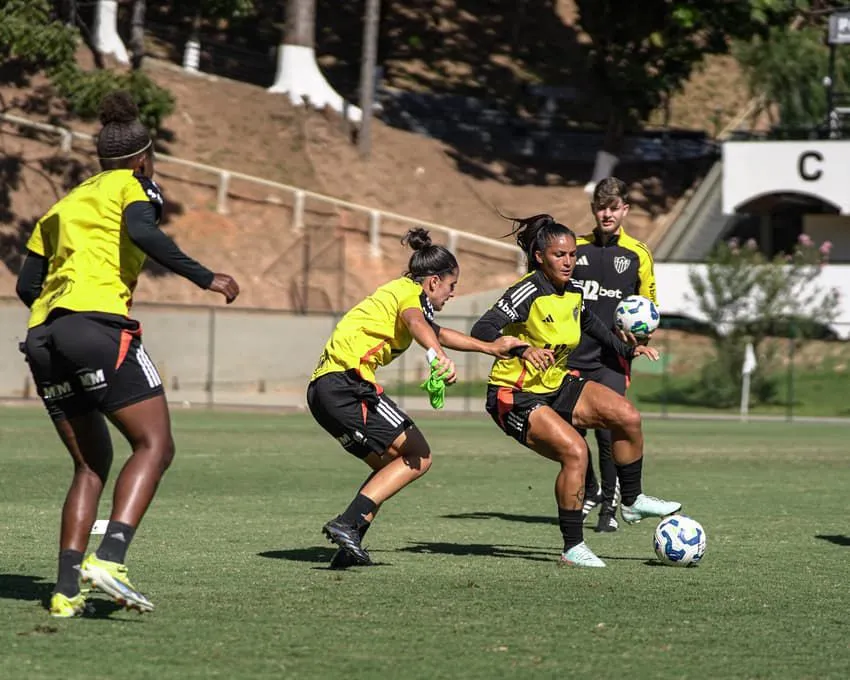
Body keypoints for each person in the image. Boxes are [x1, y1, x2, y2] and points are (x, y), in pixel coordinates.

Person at [16, 91, 240, 617]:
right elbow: (141, 229)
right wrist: (206, 277)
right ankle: (110, 558)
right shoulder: (134, 185)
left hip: (44, 336)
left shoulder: (62, 204)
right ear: (144, 157)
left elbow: (29, 283)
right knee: (156, 446)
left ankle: (66, 590)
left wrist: (62, 312)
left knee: (91, 465)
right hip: (97, 327)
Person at [470, 214, 680, 567]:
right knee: (576, 453)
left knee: (626, 415)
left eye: (571, 255)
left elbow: (593, 325)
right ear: (540, 256)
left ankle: (630, 500)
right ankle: (572, 547)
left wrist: (629, 349)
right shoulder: (529, 289)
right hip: (514, 395)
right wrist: (522, 348)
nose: (568, 262)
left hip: (555, 383)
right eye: (559, 255)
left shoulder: (572, 291)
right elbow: (483, 328)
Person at [308, 228, 525, 569]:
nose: (453, 294)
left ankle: (349, 544)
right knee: (419, 455)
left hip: (323, 391)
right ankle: (346, 525)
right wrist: (437, 356)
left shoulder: (400, 293)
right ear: (434, 282)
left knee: (389, 467)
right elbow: (417, 323)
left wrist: (490, 347)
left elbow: (434, 330)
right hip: (347, 385)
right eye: (452, 285)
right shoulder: (409, 295)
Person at [569, 177, 658, 533]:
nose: (606, 213)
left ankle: (609, 505)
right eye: (601, 207)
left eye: (613, 207)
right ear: (594, 209)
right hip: (572, 355)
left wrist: (639, 335)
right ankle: (590, 488)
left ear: (625, 210)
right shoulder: (574, 249)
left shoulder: (638, 254)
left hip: (613, 358)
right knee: (570, 431)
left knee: (608, 431)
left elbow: (649, 308)